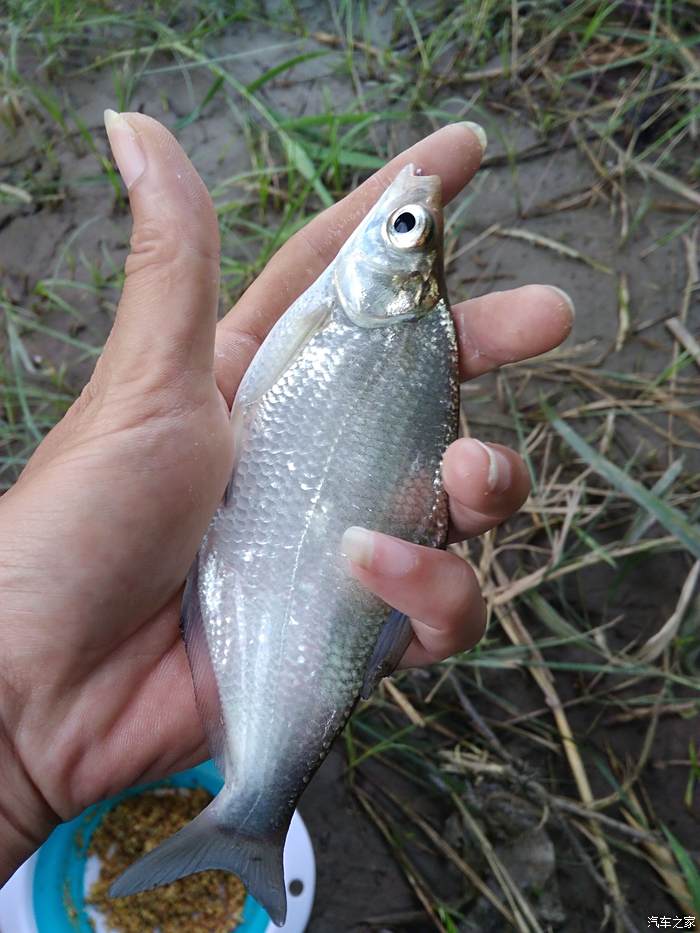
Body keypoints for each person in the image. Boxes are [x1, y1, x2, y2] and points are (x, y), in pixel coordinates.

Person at [0, 114, 573, 884]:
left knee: (456, 500)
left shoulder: (396, 325)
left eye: (403, 229)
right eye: (410, 226)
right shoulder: (373, 317)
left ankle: (250, 811)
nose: (403, 217)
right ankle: (249, 810)